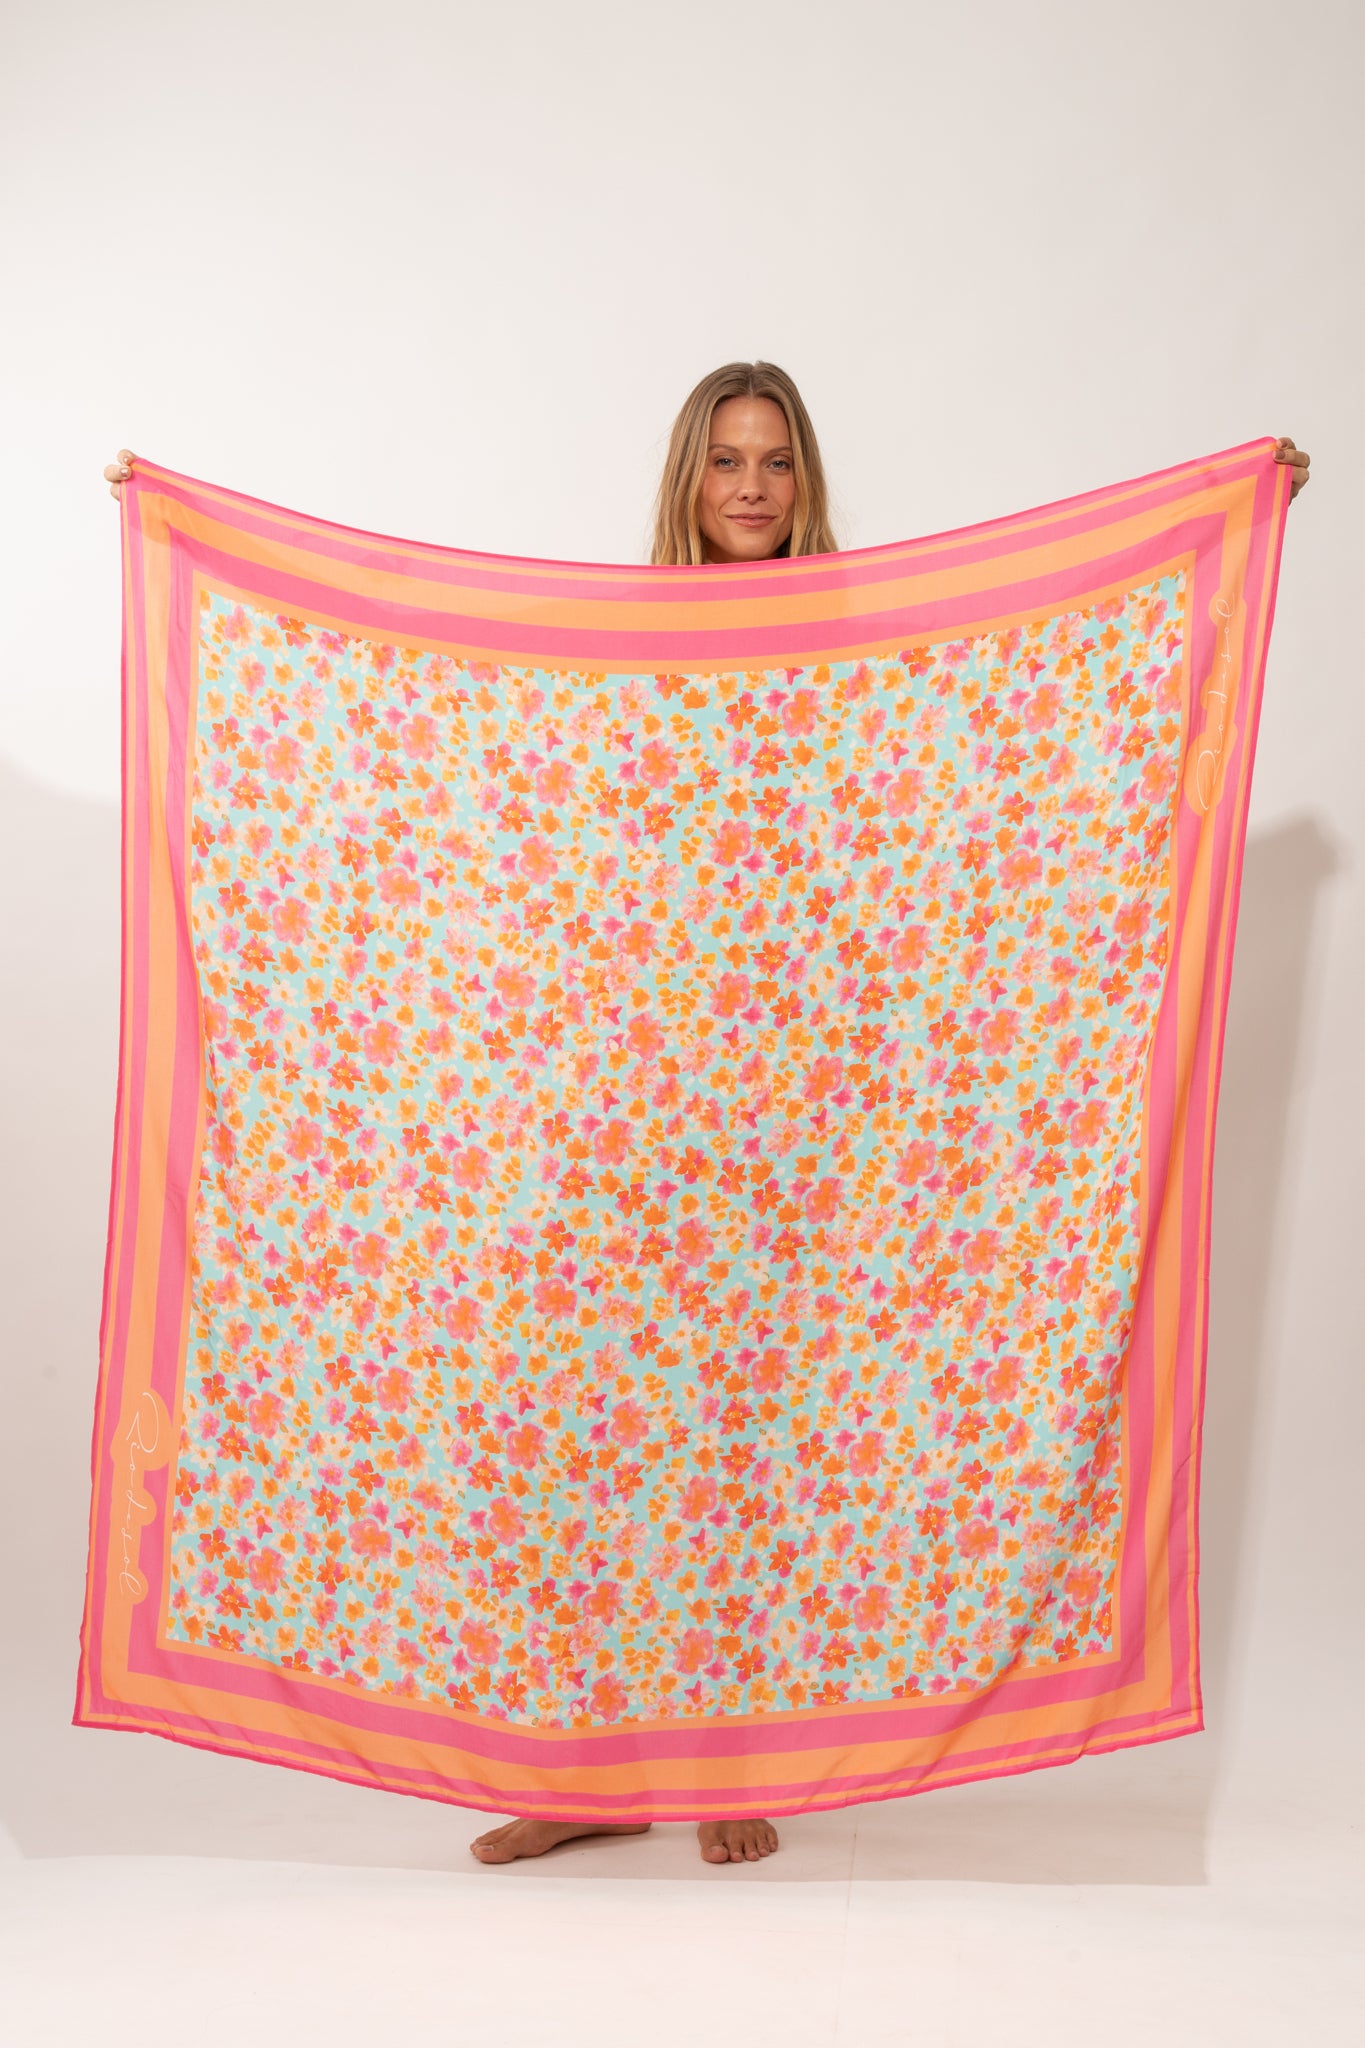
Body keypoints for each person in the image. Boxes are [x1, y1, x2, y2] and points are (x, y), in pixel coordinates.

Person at [101, 371, 1310, 1864]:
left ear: (805, 481)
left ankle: (735, 1756)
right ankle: (579, 1773)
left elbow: (953, 789)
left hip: (790, 1110)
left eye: (776, 462)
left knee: (748, 1431)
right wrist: (175, 530)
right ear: (689, 474)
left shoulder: (864, 643)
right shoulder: (626, 642)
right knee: (589, 1429)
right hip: (626, 1098)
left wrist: (1238, 513)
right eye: (727, 460)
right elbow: (525, 799)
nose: (750, 487)